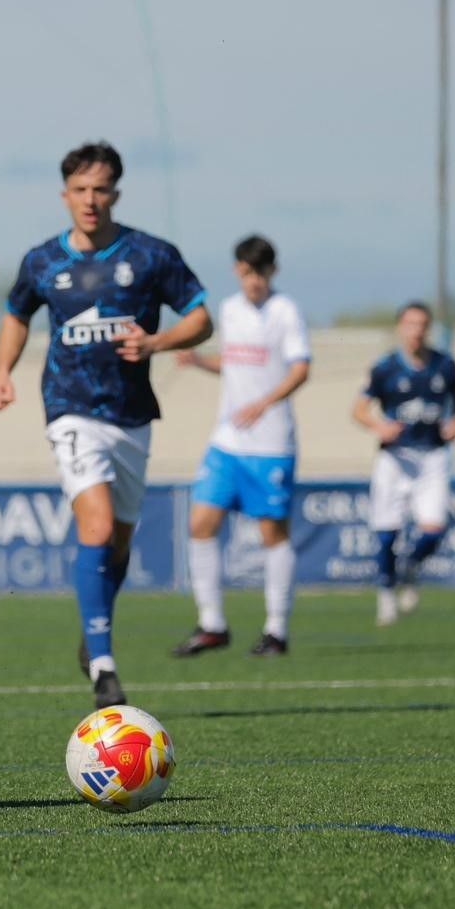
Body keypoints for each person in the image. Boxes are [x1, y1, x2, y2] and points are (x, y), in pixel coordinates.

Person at [0, 141, 212, 707]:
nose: (91, 200)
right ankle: (105, 668)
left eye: (101, 189)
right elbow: (16, 314)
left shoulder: (152, 254)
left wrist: (157, 341)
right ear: (65, 196)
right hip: (68, 407)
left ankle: (94, 635)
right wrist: (2, 372)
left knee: (119, 542)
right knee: (96, 523)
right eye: (80, 190)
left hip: (132, 416)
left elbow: (203, 319)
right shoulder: (42, 261)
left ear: (115, 192)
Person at [171, 235, 311, 657]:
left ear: (273, 272)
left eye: (261, 273)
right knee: (200, 524)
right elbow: (234, 365)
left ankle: (276, 629)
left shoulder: (285, 311)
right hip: (227, 440)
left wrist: (263, 403)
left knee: (272, 534)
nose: (254, 281)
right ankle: (212, 623)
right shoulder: (229, 310)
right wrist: (197, 361)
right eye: (247, 272)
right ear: (237, 270)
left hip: (270, 444)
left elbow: (300, 369)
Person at [352, 302, 455, 625]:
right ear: (401, 327)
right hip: (395, 458)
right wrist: (378, 426)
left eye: (422, 324)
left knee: (434, 531)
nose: (416, 331)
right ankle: (386, 592)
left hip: (432, 456)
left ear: (428, 329)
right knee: (386, 535)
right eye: (410, 324)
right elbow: (358, 410)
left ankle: (410, 567)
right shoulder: (385, 367)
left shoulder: (445, 365)